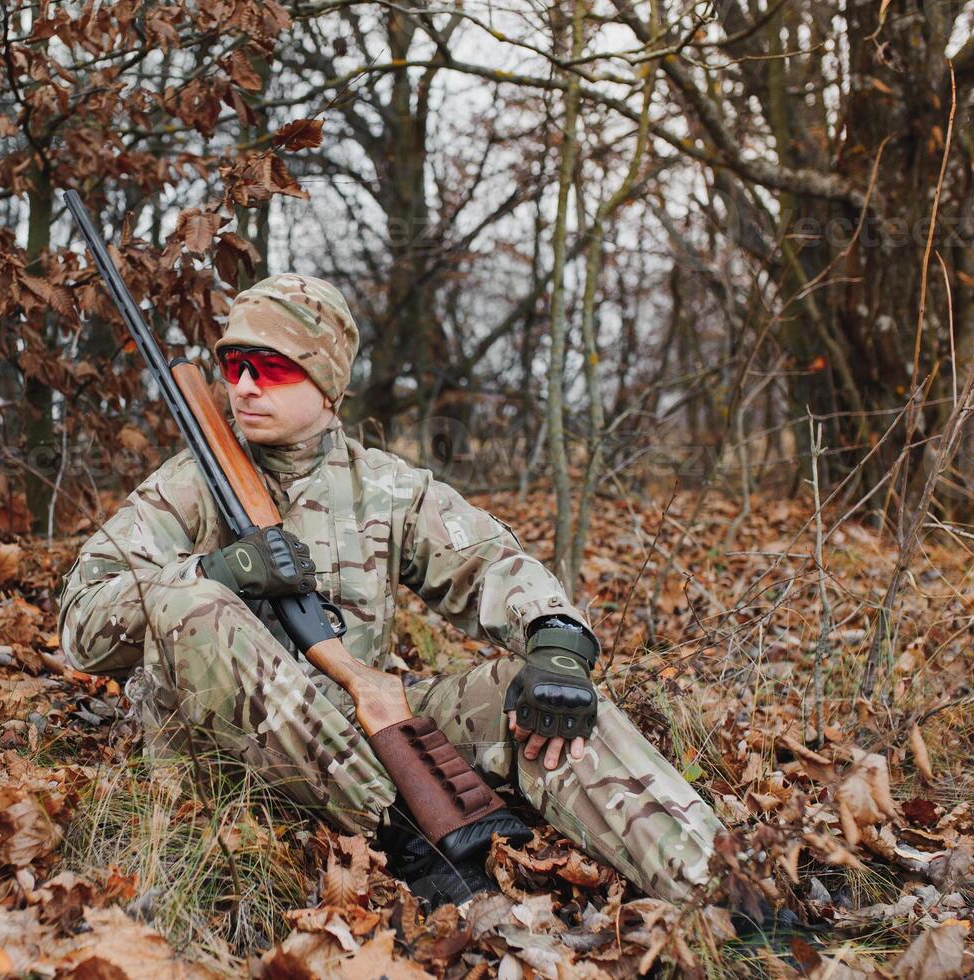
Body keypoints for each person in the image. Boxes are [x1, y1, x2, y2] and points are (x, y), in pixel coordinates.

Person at [57, 273, 724, 908]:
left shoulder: (385, 488)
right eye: (233, 367)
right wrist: (213, 575)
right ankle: (408, 835)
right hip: (225, 762)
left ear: (327, 384)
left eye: (274, 367)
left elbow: (491, 563)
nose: (246, 387)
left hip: (357, 730)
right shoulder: (186, 484)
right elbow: (80, 626)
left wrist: (556, 641)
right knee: (188, 602)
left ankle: (717, 888)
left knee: (540, 695)